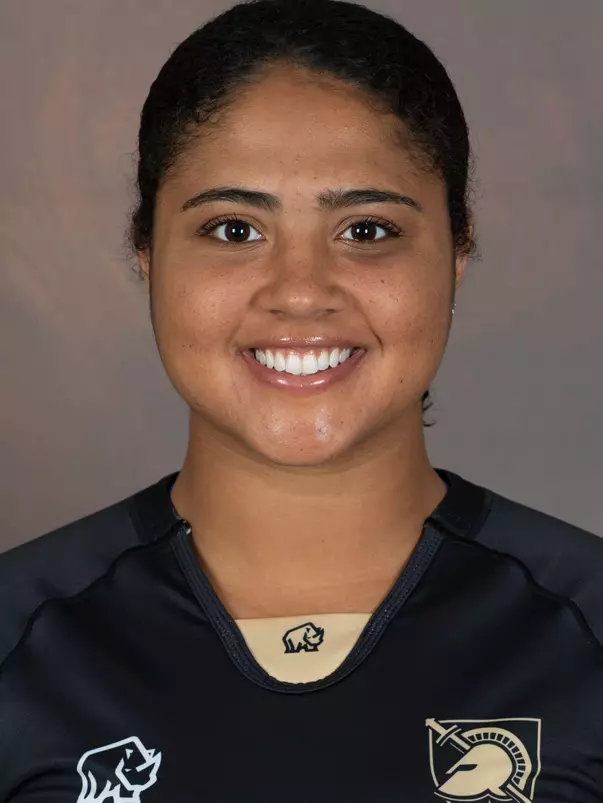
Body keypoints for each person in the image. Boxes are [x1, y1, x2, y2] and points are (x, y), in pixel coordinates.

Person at [1, 0, 601, 800]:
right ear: (147, 254)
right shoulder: (21, 638)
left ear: (457, 250)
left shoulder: (582, 626)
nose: (300, 292)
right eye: (232, 230)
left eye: (365, 230)